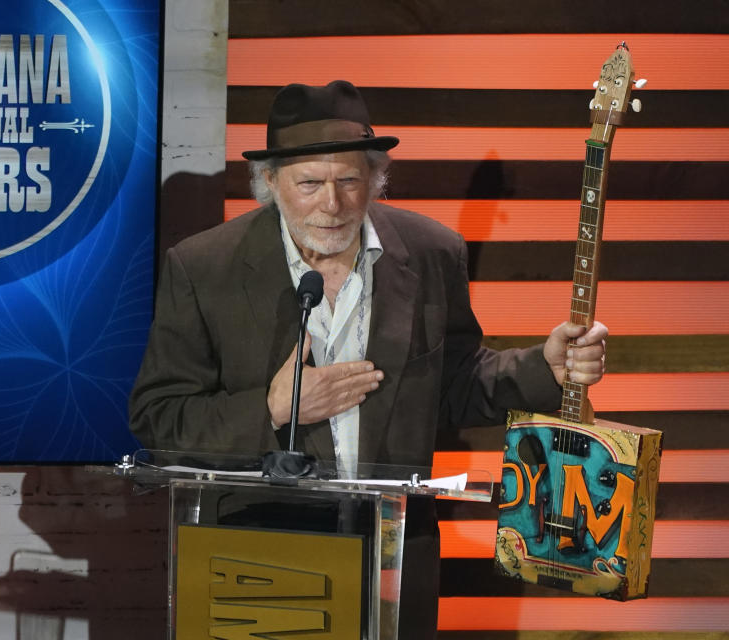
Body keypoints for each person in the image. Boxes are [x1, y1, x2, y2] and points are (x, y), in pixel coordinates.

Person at [129, 80, 607, 638]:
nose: (332, 204)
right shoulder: (204, 267)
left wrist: (542, 368)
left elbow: (454, 382)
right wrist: (273, 408)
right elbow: (158, 417)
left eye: (349, 181)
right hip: (255, 559)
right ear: (270, 182)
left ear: (375, 179)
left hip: (394, 555)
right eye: (309, 183)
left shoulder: (432, 253)